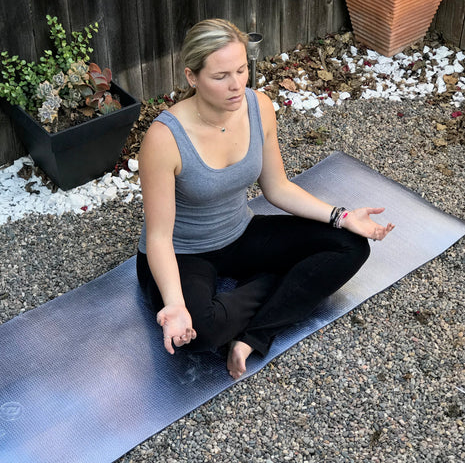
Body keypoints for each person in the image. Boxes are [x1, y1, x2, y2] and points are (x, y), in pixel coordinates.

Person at [137, 19, 394, 379]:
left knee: (352, 244)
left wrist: (343, 217)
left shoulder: (258, 106)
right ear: (192, 77)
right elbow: (159, 237)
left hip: (239, 232)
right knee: (197, 334)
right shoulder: (164, 139)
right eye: (221, 75)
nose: (236, 84)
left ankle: (254, 336)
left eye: (242, 70)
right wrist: (176, 305)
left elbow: (277, 188)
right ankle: (290, 283)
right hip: (182, 253)